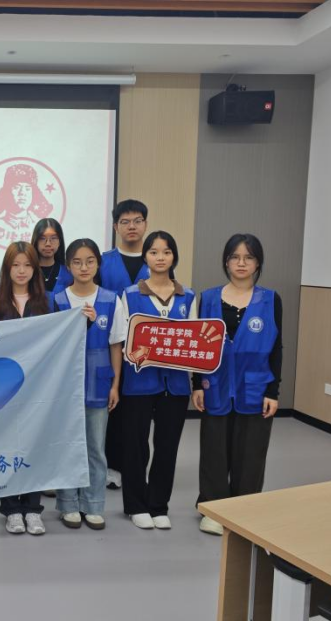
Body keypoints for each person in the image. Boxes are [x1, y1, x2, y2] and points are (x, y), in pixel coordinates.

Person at [192, 234, 282, 536]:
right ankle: (214, 509)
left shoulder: (271, 300)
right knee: (214, 449)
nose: (241, 263)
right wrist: (197, 384)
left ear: (258, 263)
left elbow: (277, 348)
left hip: (255, 386)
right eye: (235, 257)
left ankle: (245, 509)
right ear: (226, 261)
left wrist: (273, 392)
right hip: (214, 384)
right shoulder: (208, 298)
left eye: (249, 257)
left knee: (251, 452)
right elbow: (197, 345)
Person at [120, 231, 196, 531]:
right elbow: (123, 339)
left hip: (175, 385)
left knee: (167, 446)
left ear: (174, 256)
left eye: (166, 252)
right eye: (153, 252)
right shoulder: (129, 295)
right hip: (138, 382)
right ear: (145, 257)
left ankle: (158, 505)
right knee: (135, 446)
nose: (160, 257)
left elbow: (194, 343)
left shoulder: (188, 296)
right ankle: (136, 505)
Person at [53, 239, 125, 531]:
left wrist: (115, 385)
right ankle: (68, 503)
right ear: (68, 266)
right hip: (65, 384)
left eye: (90, 261)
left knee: (96, 447)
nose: (84, 267)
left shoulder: (110, 299)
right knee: (67, 445)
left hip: (99, 381)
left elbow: (116, 345)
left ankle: (94, 504)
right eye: (77, 262)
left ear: (98, 264)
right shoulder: (58, 300)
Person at [0, 241, 53, 536]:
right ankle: (12, 510)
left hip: (38, 388)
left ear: (35, 269)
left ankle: (33, 509)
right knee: (7, 447)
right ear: (6, 269)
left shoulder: (48, 302)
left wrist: (84, 322)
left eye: (27, 265)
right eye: (16, 265)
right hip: (3, 389)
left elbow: (63, 337)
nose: (21, 271)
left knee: (34, 447)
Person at [100, 199, 151, 491]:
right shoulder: (103, 261)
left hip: (146, 350)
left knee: (140, 411)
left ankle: (136, 466)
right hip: (110, 345)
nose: (132, 226)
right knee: (112, 407)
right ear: (115, 226)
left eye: (137, 221)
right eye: (125, 221)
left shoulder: (156, 260)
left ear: (145, 224)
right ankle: (111, 467)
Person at [0, 163, 54, 230]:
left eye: (27, 189)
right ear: (7, 192)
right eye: (16, 187)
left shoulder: (37, 225)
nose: (22, 193)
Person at [31, 218, 72, 293]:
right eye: (42, 238)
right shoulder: (28, 271)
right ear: (36, 241)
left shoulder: (68, 273)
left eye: (53, 238)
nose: (48, 244)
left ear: (59, 242)